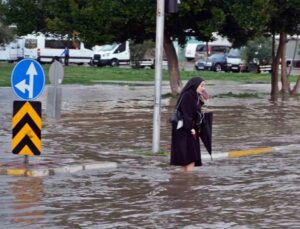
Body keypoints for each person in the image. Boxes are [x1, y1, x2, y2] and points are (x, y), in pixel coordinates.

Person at [170, 77, 208, 172]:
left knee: (186, 159)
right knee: (190, 158)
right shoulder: (188, 95)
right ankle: (189, 182)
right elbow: (187, 114)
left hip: (186, 129)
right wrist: (191, 128)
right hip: (186, 130)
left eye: (204, 86)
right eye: (202, 85)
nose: (203, 88)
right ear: (194, 85)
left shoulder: (193, 95)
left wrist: (202, 99)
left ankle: (182, 182)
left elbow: (194, 111)